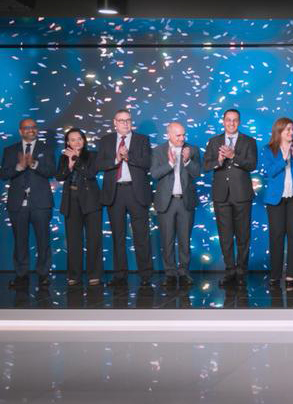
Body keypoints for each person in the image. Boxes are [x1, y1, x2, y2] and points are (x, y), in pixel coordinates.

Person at [96, 109, 153, 287]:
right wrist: (116, 159)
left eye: (128, 120)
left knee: (141, 236)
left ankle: (145, 275)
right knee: (118, 236)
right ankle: (120, 275)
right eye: (121, 120)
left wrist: (128, 157)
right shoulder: (106, 140)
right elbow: (99, 164)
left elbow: (147, 163)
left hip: (137, 192)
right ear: (115, 122)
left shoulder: (142, 139)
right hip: (115, 192)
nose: (125, 123)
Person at [203, 109, 258, 287]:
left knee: (243, 235)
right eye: (228, 120)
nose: (231, 123)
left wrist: (233, 156)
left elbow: (252, 165)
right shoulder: (214, 141)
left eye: (235, 120)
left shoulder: (249, 141)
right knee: (225, 236)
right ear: (223, 121)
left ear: (239, 122)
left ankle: (241, 272)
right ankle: (229, 271)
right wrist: (219, 161)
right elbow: (206, 165)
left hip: (242, 194)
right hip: (221, 195)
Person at [0, 118, 56, 288]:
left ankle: (43, 275)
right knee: (20, 241)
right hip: (17, 203)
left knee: (43, 240)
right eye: (27, 127)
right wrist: (19, 166)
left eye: (33, 127)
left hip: (41, 203)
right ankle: (21, 275)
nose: (31, 130)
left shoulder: (46, 148)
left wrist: (34, 164)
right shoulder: (10, 150)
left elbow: (51, 172)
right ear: (20, 131)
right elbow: (4, 174)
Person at [259, 117, 293, 289]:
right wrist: (283, 157)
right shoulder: (268, 149)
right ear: (279, 131)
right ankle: (275, 275)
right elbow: (269, 172)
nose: (291, 132)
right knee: (276, 235)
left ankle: (291, 275)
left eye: (292, 129)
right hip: (276, 198)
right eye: (287, 129)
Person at [151, 122, 202, 288]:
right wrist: (170, 164)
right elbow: (154, 174)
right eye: (178, 135)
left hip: (185, 201)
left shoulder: (192, 150)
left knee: (185, 240)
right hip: (166, 202)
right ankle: (170, 274)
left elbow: (197, 173)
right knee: (167, 240)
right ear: (169, 135)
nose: (182, 138)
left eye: (183, 135)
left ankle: (184, 272)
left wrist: (186, 161)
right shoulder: (158, 151)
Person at [55, 128, 102, 287]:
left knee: (93, 239)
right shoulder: (63, 157)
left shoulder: (93, 155)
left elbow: (90, 173)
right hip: (71, 199)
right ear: (68, 142)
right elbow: (59, 176)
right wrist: (69, 165)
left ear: (84, 140)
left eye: (79, 138)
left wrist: (76, 159)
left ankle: (94, 274)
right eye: (73, 139)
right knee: (74, 240)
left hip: (91, 200)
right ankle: (74, 275)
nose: (77, 142)